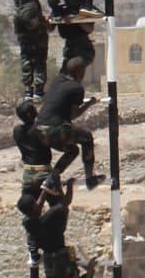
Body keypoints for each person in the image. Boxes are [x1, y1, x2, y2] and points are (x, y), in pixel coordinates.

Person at [37, 56, 102, 185]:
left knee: (73, 150)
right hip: (56, 128)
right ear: (81, 72)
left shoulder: (57, 80)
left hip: (39, 128)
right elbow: (74, 115)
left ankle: (52, 178)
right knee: (87, 138)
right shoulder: (76, 88)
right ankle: (90, 178)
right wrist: (90, 103)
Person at [1, 0, 50, 101]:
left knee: (25, 50)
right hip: (29, 7)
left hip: (18, 10)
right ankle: (39, 88)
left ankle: (28, 90)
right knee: (40, 47)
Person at [12, 99, 55, 194]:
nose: (37, 110)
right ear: (29, 114)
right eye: (34, 109)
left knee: (28, 204)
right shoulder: (40, 129)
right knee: (59, 206)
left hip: (28, 173)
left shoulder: (17, 130)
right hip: (44, 172)